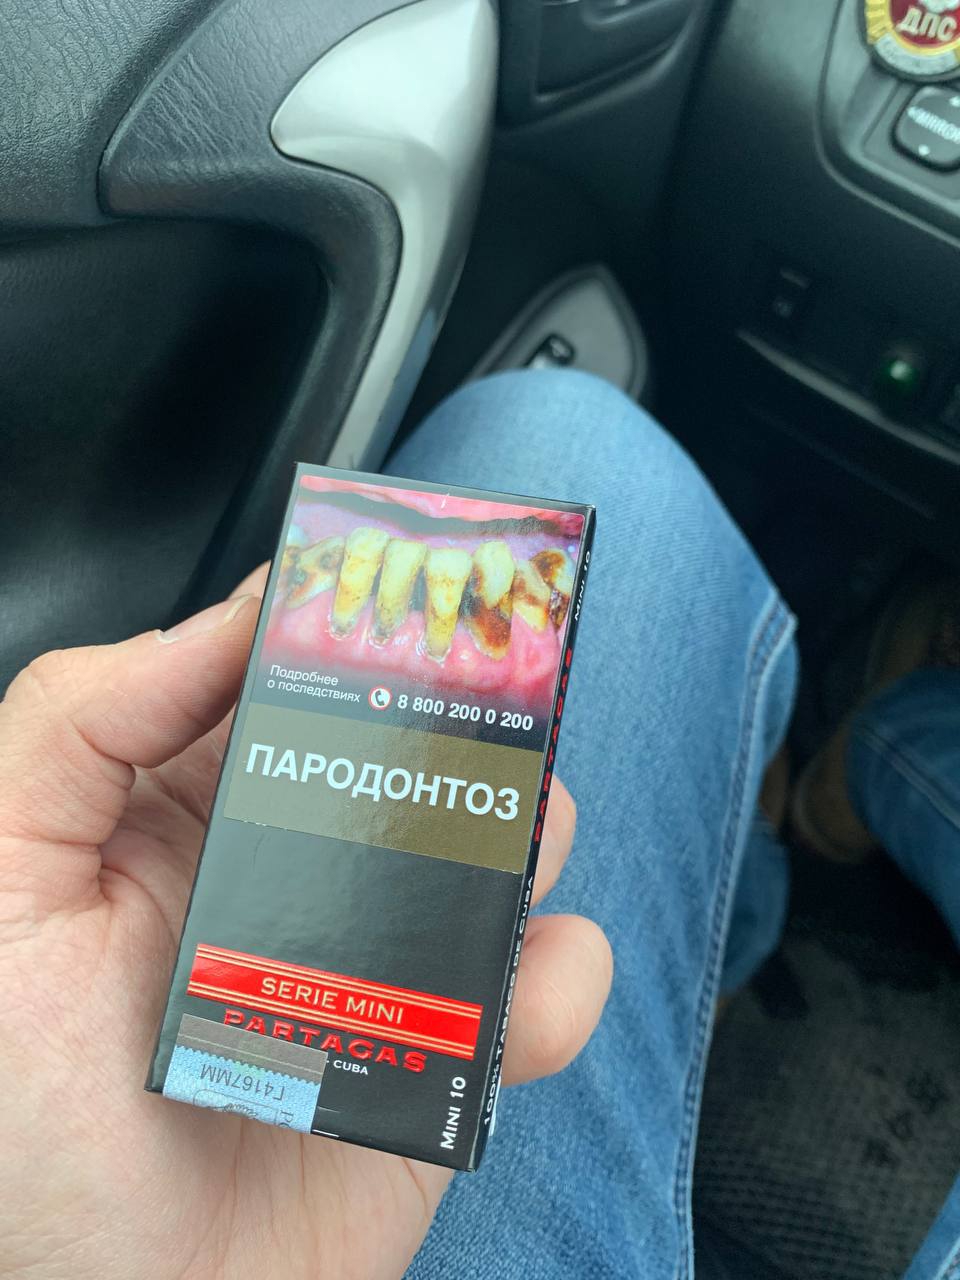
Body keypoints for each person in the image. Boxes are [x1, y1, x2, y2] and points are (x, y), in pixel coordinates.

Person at [0, 368, 955, 1279]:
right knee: (579, 438)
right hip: (261, 1108)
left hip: (228, 1158)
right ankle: (829, 782)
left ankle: (798, 809)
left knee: (567, 434)